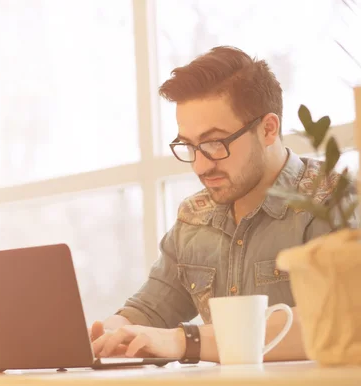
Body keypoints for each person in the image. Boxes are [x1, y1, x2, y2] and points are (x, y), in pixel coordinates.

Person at [90, 46, 358, 363]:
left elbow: (344, 325)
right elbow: (151, 307)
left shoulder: (336, 203)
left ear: (268, 129)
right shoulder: (194, 217)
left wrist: (186, 340)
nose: (200, 166)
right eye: (188, 146)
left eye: (215, 143)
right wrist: (113, 333)